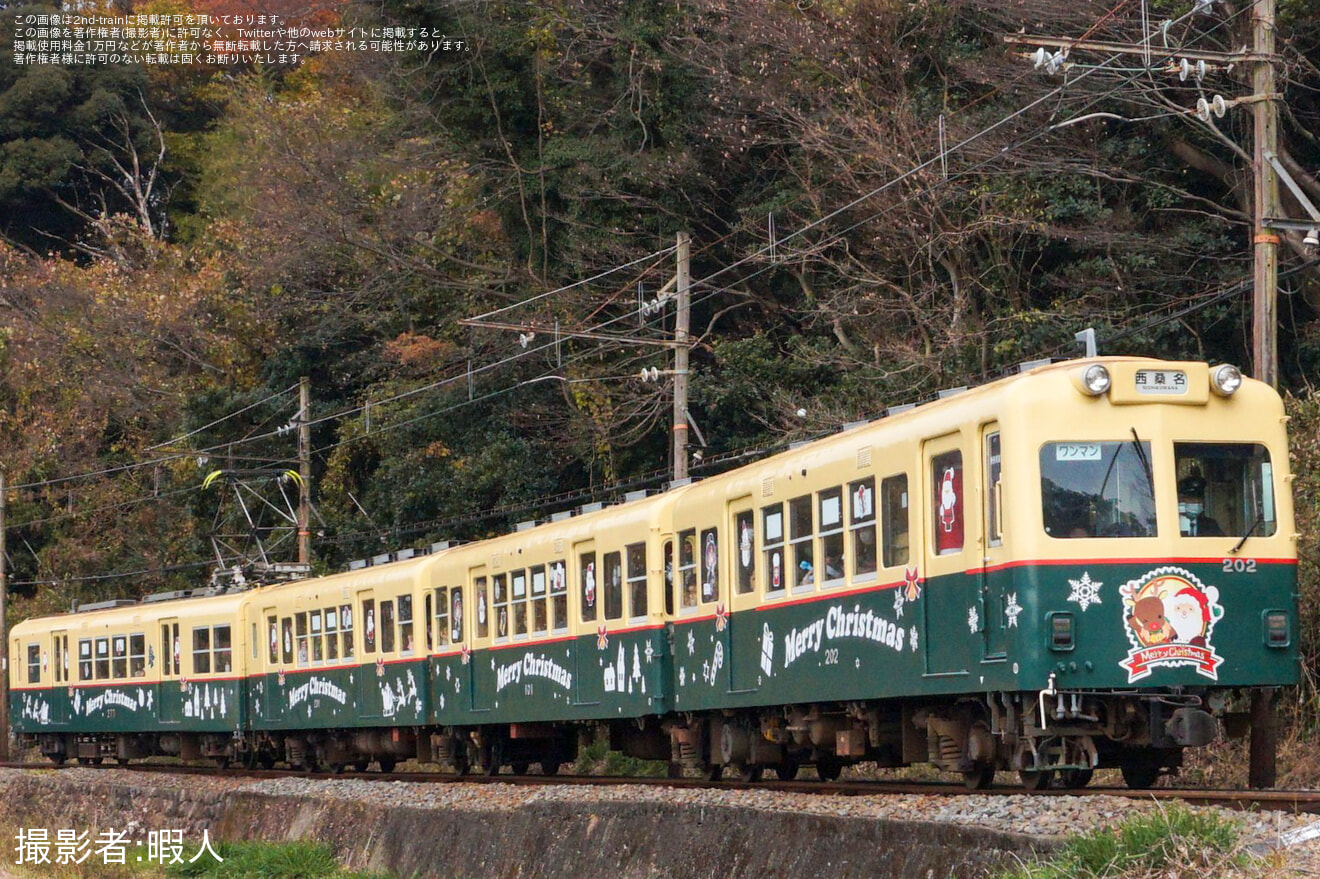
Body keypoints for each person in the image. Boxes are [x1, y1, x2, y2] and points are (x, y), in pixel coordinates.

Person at [1178, 468, 1223, 537]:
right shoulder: (1172, 525)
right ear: (1181, 500)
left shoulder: (1211, 525)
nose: (1197, 502)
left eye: (1200, 499)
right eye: (1192, 499)